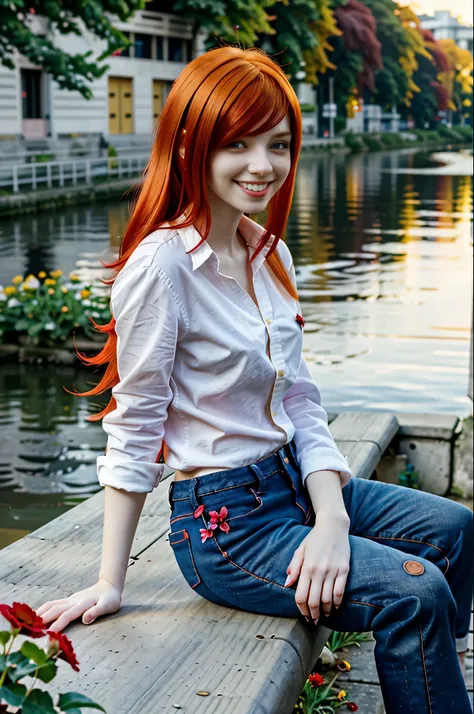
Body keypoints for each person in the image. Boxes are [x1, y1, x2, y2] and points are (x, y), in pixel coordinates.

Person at [35, 45, 473, 714]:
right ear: (191, 144)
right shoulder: (163, 267)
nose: (263, 165)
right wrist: (108, 582)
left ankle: (438, 678)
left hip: (295, 482)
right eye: (236, 142)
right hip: (228, 527)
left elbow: (299, 399)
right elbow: (137, 420)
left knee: (458, 530)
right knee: (416, 592)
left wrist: (331, 517)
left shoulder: (270, 254)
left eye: (278, 143)